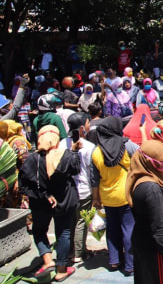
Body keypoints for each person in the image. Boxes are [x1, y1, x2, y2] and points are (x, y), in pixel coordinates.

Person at [18, 125, 81, 281]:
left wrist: (44, 194)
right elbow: (76, 168)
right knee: (64, 233)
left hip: (41, 203)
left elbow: (23, 185)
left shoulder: (32, 158)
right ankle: (61, 269)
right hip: (64, 201)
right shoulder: (64, 155)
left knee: (39, 230)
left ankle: (47, 260)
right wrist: (73, 151)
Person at [90, 117, 140, 275]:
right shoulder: (126, 145)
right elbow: (142, 155)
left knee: (112, 230)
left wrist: (96, 199)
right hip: (126, 196)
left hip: (107, 197)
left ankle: (114, 261)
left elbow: (94, 179)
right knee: (128, 229)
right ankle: (130, 265)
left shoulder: (96, 151)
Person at [125, 139, 163, 284]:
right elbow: (158, 226)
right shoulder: (151, 189)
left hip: (143, 242)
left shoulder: (140, 177)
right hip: (154, 249)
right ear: (150, 162)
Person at [66, 113, 95, 263]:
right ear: (83, 127)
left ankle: (70, 250)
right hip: (83, 190)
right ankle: (78, 253)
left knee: (70, 220)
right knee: (81, 221)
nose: (90, 126)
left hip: (67, 190)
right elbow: (92, 171)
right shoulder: (89, 147)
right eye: (88, 123)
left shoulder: (62, 143)